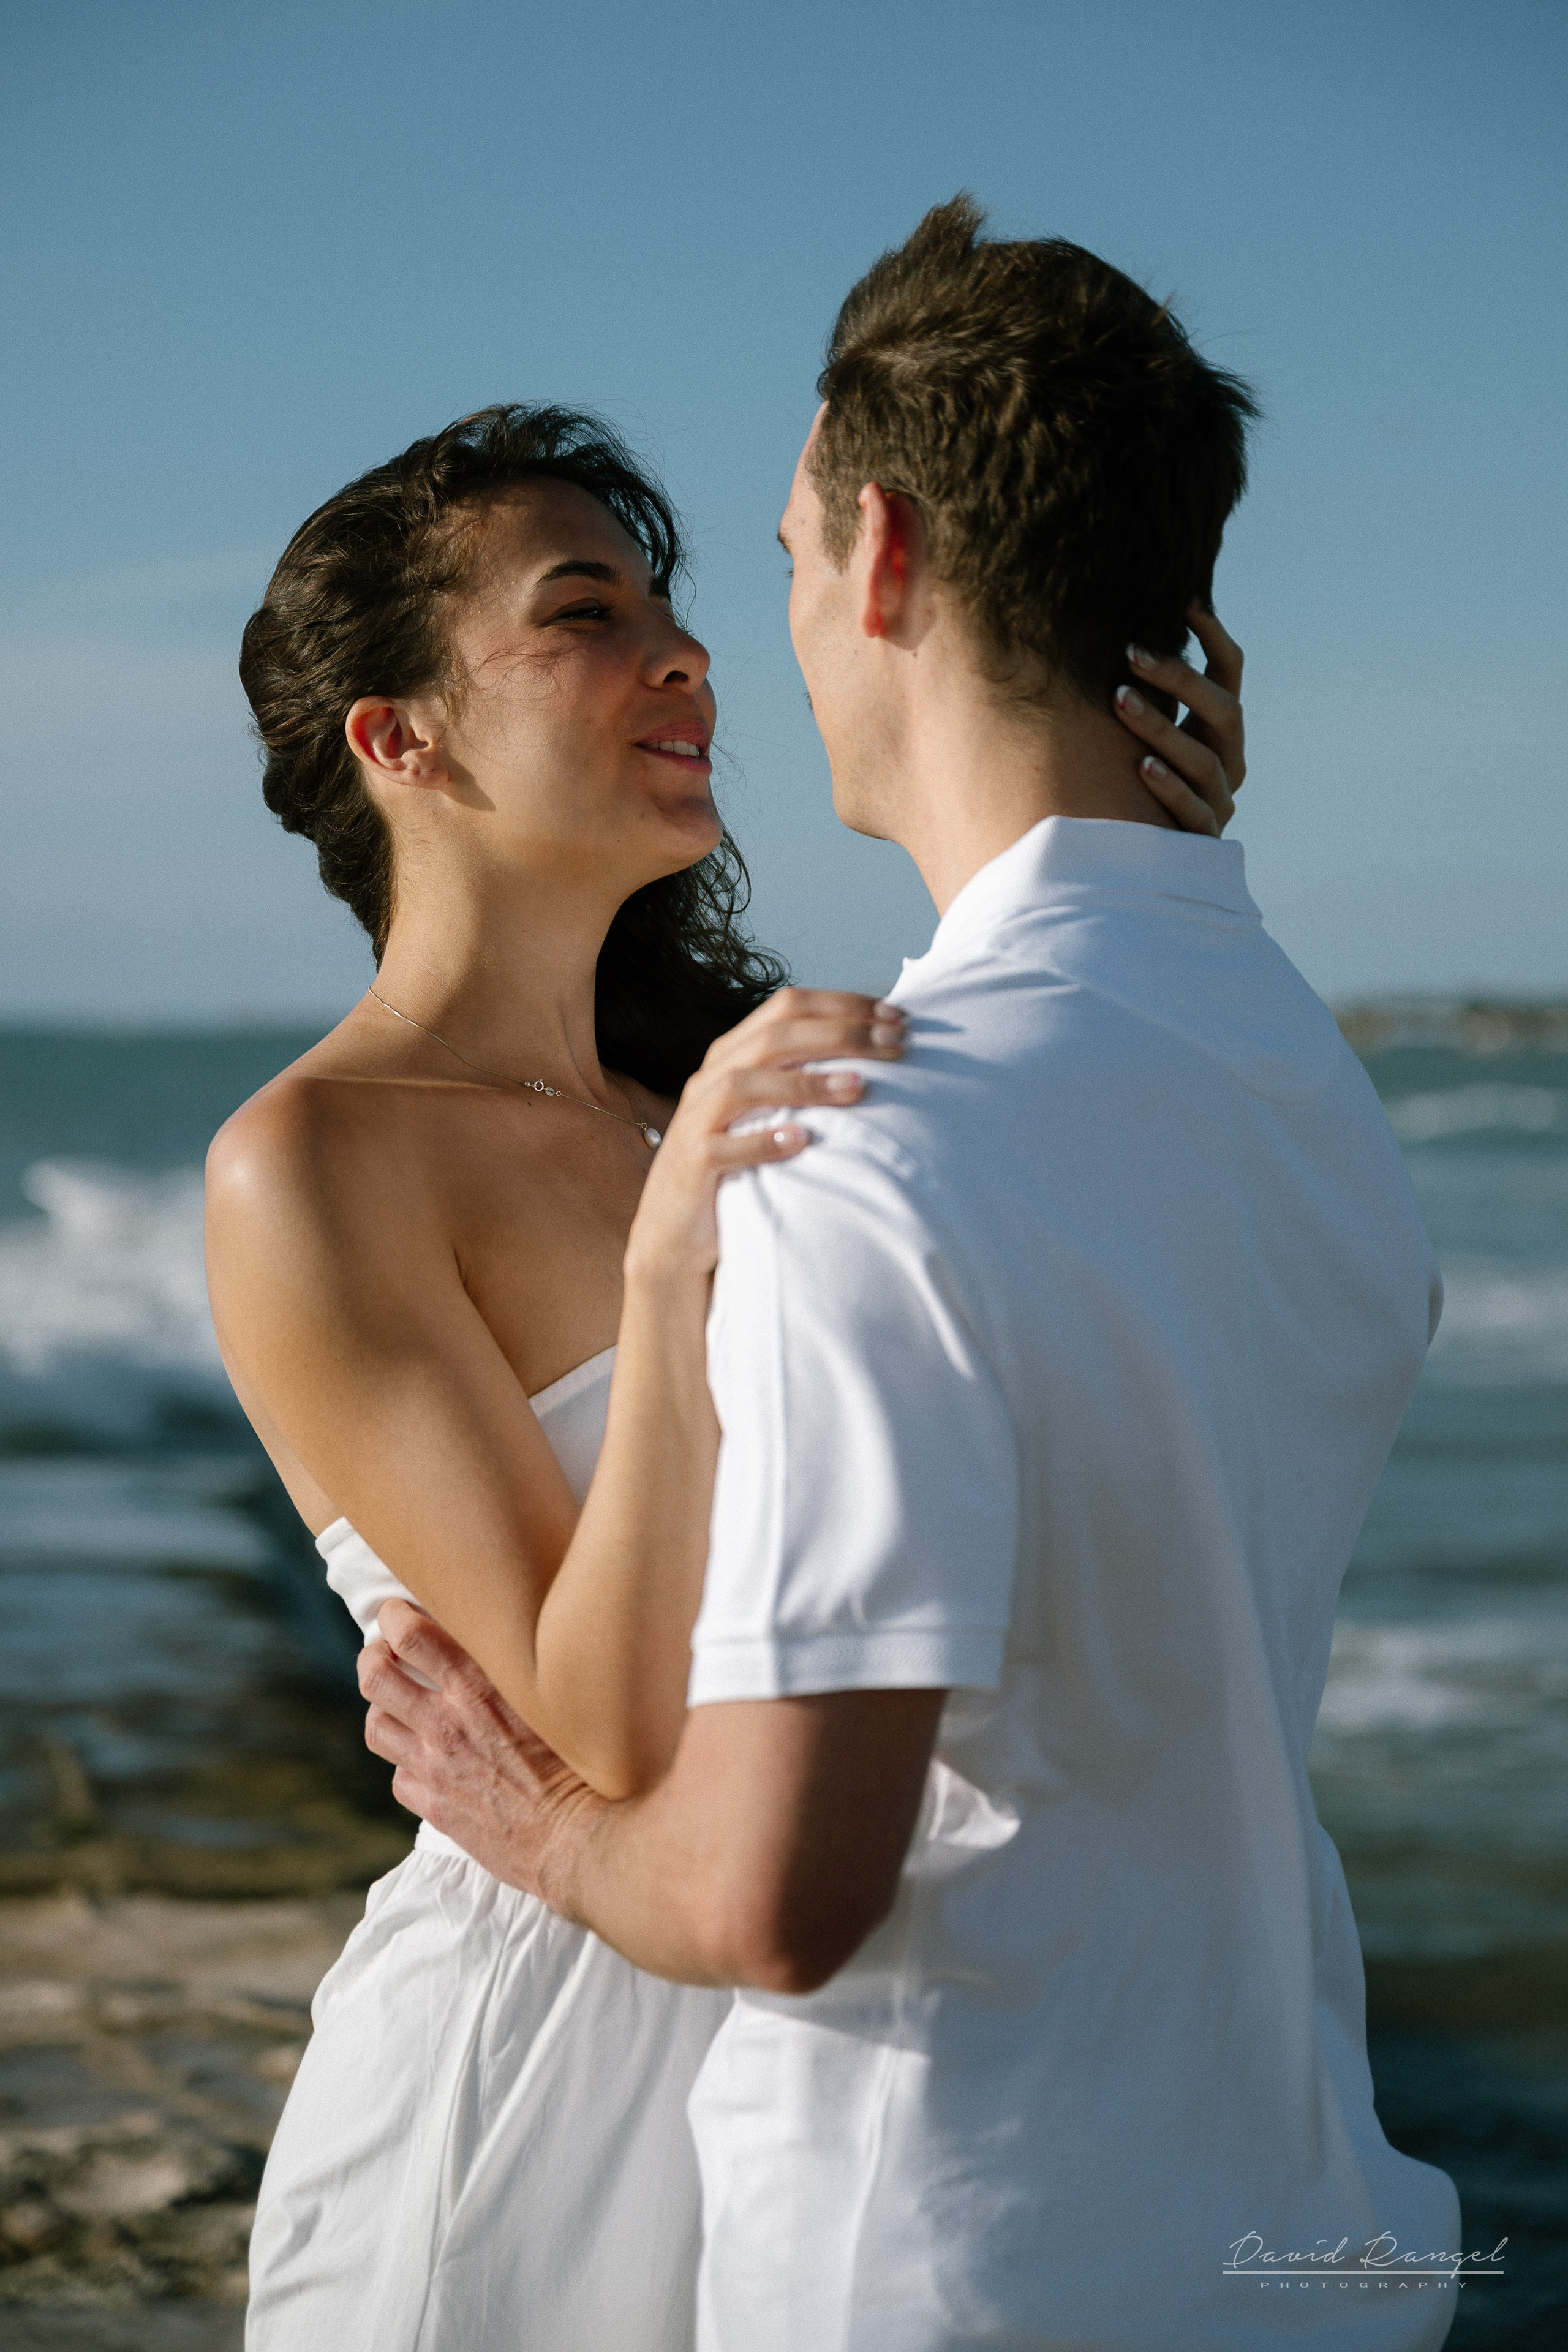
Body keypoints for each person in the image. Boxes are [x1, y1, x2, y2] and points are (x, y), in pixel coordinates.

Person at [361, 200, 1462, 2350]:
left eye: (782, 557)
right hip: (1303, 2238)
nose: (751, 636)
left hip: (968, 2261)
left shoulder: (861, 1143)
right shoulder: (1307, 1088)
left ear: (881, 556)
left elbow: (778, 1898)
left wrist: (537, 1828)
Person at [209, 401, 1234, 2348]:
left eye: (669, 605)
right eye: (583, 612)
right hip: (527, 2095)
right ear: (399, 740)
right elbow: (598, 1733)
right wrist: (671, 1274)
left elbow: (1089, 1180)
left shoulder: (717, 1086)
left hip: (807, 2061)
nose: (684, 652)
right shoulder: (311, 1163)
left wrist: (1148, 863)